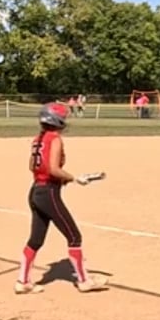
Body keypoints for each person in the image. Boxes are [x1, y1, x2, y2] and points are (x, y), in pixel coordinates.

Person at [18, 102, 103, 294]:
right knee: (74, 236)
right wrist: (74, 178)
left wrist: (60, 180)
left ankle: (22, 281)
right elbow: (53, 169)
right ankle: (84, 281)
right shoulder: (55, 139)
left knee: (36, 240)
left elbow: (34, 166)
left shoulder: (38, 139)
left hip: (36, 191)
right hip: (48, 193)